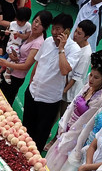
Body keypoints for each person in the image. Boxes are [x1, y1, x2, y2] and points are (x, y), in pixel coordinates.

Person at [47, 57, 102, 171]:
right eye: (91, 75)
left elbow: (85, 121)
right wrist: (63, 123)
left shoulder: (100, 99)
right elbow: (72, 104)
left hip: (76, 133)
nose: (91, 79)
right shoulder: (87, 86)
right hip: (68, 126)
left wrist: (69, 133)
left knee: (62, 157)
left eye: (96, 77)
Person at [22, 12, 81, 151]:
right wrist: (30, 85)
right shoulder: (48, 41)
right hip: (33, 93)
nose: (54, 32)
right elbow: (37, 63)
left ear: (67, 31)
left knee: (39, 136)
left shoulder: (74, 50)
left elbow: (65, 70)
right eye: (53, 28)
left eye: (58, 29)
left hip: (49, 100)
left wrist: (61, 49)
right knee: (25, 130)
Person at [0, 10, 50, 105]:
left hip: (15, 77)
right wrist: (10, 54)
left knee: (4, 103)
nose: (36, 25)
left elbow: (26, 66)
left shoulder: (38, 43)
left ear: (45, 28)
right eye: (36, 21)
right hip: (8, 69)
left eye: (40, 24)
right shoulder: (28, 32)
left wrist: (6, 63)